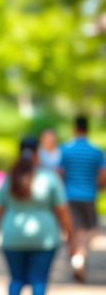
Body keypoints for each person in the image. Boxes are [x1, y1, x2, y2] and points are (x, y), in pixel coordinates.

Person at [0, 135, 75, 295]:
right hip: (44, 239)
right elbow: (62, 211)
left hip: (12, 237)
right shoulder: (49, 178)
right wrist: (71, 235)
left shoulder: (11, 178)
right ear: (38, 153)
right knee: (39, 281)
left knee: (16, 280)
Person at [58, 115, 106, 282]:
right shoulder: (97, 151)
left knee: (73, 231)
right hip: (89, 196)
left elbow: (59, 173)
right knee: (91, 230)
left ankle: (77, 258)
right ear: (88, 128)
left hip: (69, 197)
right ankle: (80, 258)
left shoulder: (65, 149)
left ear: (75, 128)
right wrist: (96, 187)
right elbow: (103, 176)